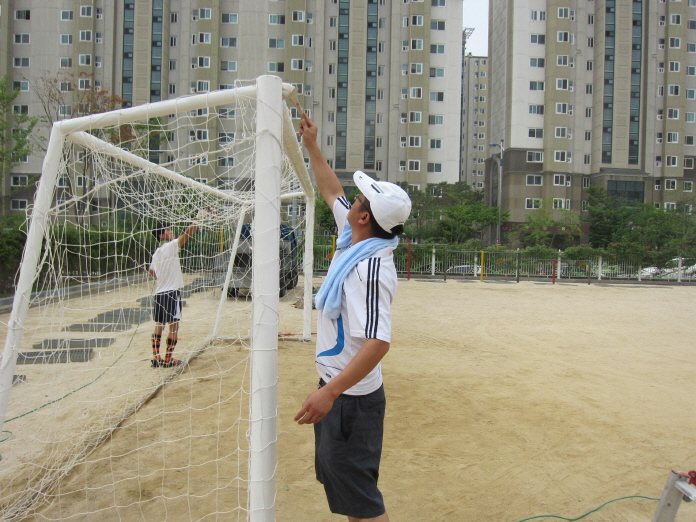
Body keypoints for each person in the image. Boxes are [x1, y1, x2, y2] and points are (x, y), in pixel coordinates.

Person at [295, 113, 411, 522]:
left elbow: (379, 341)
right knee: (342, 489)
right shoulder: (355, 239)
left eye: (360, 201)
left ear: (365, 217)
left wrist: (329, 394)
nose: (352, 200)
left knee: (360, 500)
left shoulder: (370, 268)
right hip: (338, 390)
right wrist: (311, 145)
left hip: (351, 402)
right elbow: (332, 190)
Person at [148, 212, 205, 368]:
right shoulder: (170, 246)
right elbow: (187, 234)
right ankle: (168, 358)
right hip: (171, 292)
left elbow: (151, 271)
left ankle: (155, 357)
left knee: (159, 323)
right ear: (161, 236)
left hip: (159, 292)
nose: (171, 230)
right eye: (167, 230)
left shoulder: (156, 253)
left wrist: (162, 279)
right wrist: (199, 218)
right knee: (174, 325)